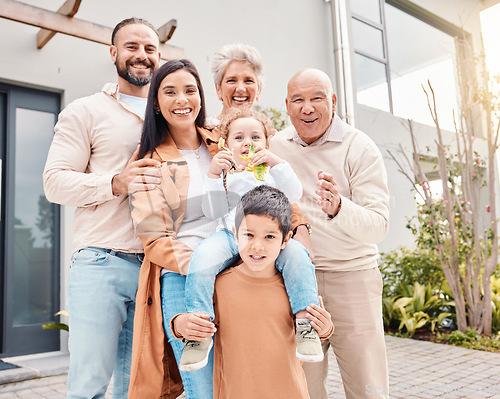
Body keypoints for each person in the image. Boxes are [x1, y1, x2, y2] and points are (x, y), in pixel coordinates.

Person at [43, 18, 163, 399]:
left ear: (158, 56)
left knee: (136, 388)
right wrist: (116, 182)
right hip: (101, 262)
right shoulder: (85, 111)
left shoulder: (171, 114)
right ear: (113, 53)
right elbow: (54, 182)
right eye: (131, 47)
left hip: (156, 269)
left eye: (149, 49)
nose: (141, 56)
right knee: (89, 385)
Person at [270, 68, 390, 399]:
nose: (307, 108)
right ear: (287, 105)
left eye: (317, 98)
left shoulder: (359, 147)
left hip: (353, 277)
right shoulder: (275, 146)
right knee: (301, 387)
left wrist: (338, 206)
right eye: (299, 100)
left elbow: (379, 225)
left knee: (368, 385)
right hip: (296, 280)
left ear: (333, 101)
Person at [179, 108, 322, 372]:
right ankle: (199, 329)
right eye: (239, 138)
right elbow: (213, 211)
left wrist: (277, 162)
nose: (248, 142)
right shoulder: (225, 173)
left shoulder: (271, 171)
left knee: (298, 256)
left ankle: (306, 323)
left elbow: (294, 193)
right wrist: (212, 176)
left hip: (270, 237)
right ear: (226, 145)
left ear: (267, 144)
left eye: (256, 137)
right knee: (201, 257)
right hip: (232, 236)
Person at [175, 185, 334, 398]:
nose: (257, 246)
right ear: (235, 235)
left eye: (269, 237)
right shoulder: (220, 286)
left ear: (285, 240)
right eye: (249, 235)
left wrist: (324, 327)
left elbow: (320, 327)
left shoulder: (295, 289)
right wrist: (180, 325)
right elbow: (190, 324)